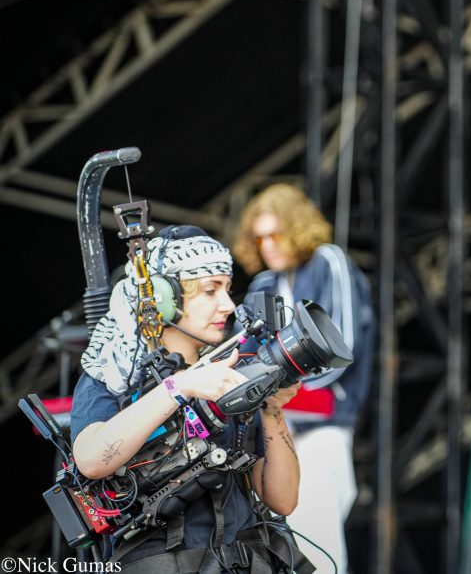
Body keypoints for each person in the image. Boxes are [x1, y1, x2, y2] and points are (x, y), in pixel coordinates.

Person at [71, 226, 305, 573]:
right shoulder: (113, 373)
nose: (228, 305)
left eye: (227, 289)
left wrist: (271, 408)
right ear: (163, 300)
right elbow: (91, 460)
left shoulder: (230, 370)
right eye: (210, 291)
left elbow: (282, 500)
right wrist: (180, 387)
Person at [233, 183, 375, 574]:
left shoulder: (329, 261)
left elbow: (342, 347)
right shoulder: (263, 285)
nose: (268, 245)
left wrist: (280, 387)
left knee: (317, 540)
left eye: (276, 234)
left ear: (296, 228)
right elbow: (242, 357)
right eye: (259, 238)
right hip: (276, 426)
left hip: (323, 420)